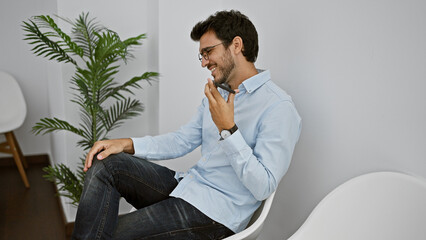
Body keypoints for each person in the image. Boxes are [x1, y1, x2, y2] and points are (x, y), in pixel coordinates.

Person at [71, 10, 301, 240]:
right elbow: (183, 140)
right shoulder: (218, 93)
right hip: (188, 187)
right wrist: (127, 144)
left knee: (106, 234)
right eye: (201, 55)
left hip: (214, 214)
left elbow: (264, 187)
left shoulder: (278, 107)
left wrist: (229, 130)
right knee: (106, 163)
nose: (203, 63)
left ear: (236, 45)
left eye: (208, 52)